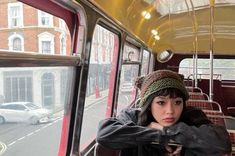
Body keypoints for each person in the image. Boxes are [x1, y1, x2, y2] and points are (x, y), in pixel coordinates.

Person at [96, 70, 231, 156]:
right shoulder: (133, 117)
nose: (170, 111)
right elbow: (105, 134)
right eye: (161, 103)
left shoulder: (192, 115)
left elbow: (221, 143)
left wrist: (166, 130)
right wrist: (157, 135)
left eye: (177, 102)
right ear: (149, 105)